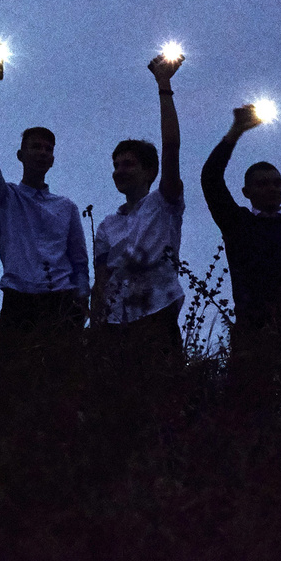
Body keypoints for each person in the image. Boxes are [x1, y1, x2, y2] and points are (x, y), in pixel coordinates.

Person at [201, 103, 281, 391]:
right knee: (251, 407)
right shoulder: (238, 225)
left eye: (276, 183)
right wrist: (235, 131)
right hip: (251, 338)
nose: (271, 188)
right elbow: (211, 179)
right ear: (246, 192)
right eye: (262, 184)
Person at [0, 59, 89, 377]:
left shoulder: (65, 206)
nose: (42, 152)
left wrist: (81, 304)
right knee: (16, 381)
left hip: (61, 302)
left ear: (53, 158)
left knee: (63, 382)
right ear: (21, 155)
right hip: (20, 300)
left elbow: (79, 261)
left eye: (48, 148)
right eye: (35, 147)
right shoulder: (5, 197)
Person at [92, 50, 187, 368]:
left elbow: (171, 146)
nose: (120, 170)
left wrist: (164, 86)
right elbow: (101, 281)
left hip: (157, 318)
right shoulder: (107, 225)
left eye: (128, 164)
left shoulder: (164, 203)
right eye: (116, 165)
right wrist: (97, 327)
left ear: (150, 171)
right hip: (115, 327)